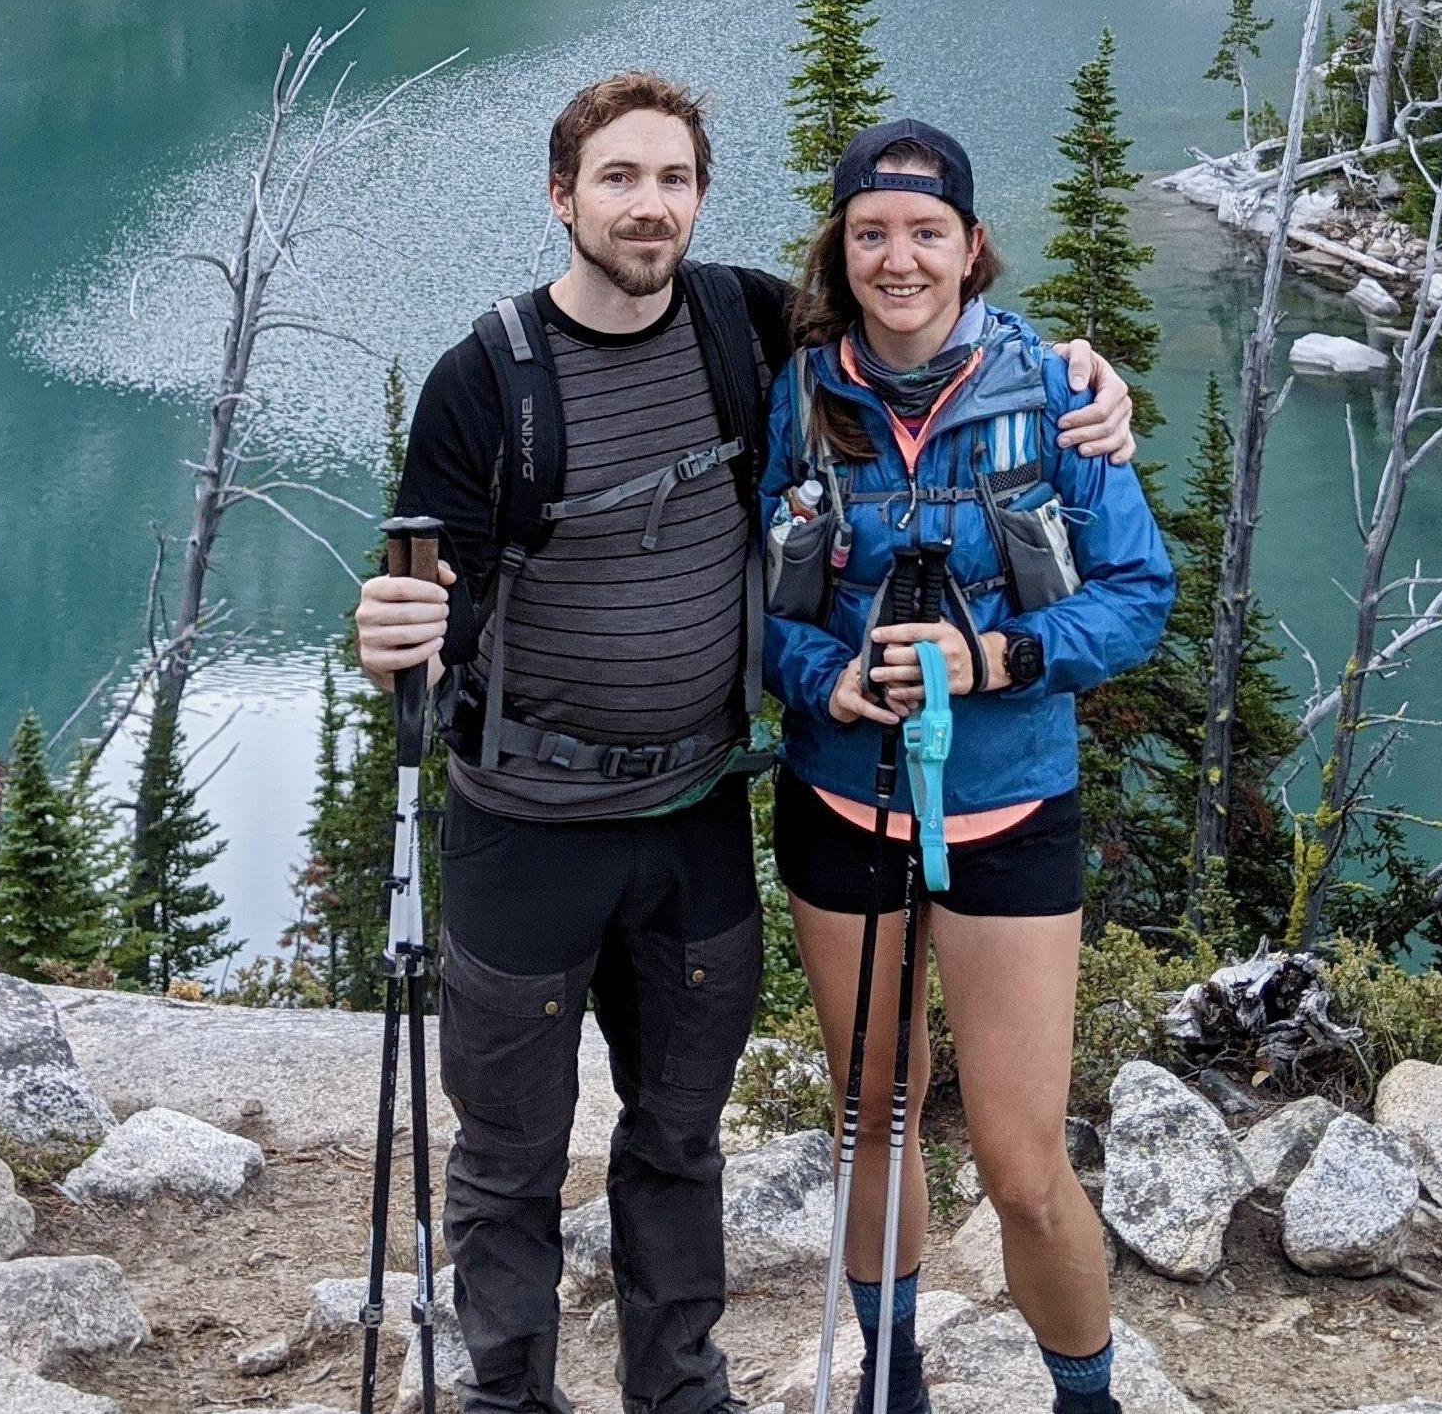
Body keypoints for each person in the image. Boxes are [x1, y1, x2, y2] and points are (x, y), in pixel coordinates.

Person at [354, 73, 1139, 1414]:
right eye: (617, 178)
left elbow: (940, 352)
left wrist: (1088, 377)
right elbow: (442, 597)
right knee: (519, 1153)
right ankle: (514, 1398)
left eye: (671, 180)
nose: (646, 205)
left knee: (691, 1136)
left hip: (712, 815)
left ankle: (689, 1396)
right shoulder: (500, 378)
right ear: (562, 196)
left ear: (701, 198)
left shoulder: (751, 329)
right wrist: (395, 637)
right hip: (552, 820)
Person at [760, 122, 1174, 1414]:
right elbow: (756, 600)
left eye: (925, 233)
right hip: (843, 803)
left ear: (971, 245)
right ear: (840, 249)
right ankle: (893, 1381)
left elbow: (1138, 596)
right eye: (871, 233)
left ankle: (1087, 1398)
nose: (899, 260)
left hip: (1010, 813)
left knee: (1021, 1166)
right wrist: (823, 676)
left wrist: (992, 657)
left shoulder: (1053, 392)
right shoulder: (801, 396)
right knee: (872, 1115)